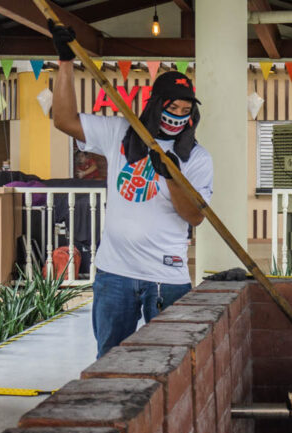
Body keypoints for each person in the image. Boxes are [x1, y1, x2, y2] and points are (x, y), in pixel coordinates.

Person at [48, 21, 214, 358]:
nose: (178, 116)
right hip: (115, 276)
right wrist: (66, 62)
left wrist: (171, 175)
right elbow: (64, 120)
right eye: (172, 108)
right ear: (156, 104)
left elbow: (195, 218)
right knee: (108, 361)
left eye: (186, 111)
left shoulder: (197, 158)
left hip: (167, 279)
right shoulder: (120, 132)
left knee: (173, 363)